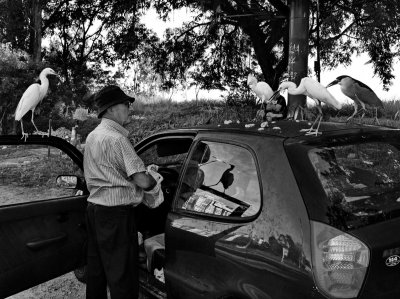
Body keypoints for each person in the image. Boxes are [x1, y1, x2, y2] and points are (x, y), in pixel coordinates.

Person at [83, 85, 160, 299]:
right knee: (122, 276)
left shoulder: (93, 136)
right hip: (116, 216)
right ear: (110, 109)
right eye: (126, 104)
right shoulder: (118, 140)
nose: (129, 109)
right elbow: (143, 181)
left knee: (97, 272)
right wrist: (156, 179)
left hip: (94, 211)